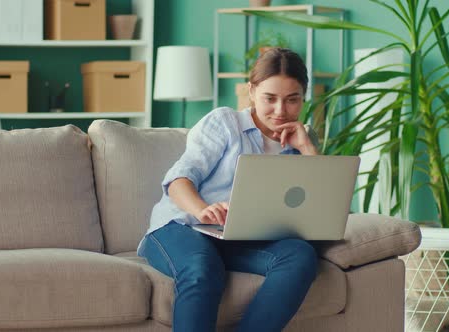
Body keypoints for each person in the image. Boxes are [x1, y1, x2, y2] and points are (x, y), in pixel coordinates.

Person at [137, 48, 319, 332]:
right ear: (252, 91)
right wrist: (202, 209)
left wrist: (307, 149)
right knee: (201, 269)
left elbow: (318, 210)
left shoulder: (301, 140)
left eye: (292, 100)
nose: (280, 111)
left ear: (304, 97)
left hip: (238, 237)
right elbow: (179, 180)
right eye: (269, 99)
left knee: (300, 254)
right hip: (182, 228)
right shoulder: (225, 123)